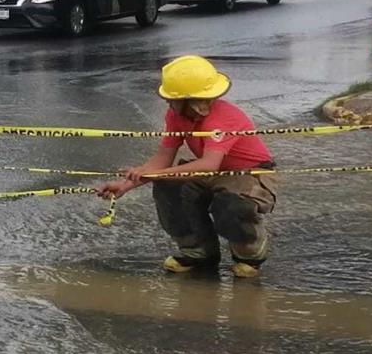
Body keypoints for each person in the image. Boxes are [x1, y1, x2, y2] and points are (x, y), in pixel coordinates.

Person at [97, 55, 277, 278]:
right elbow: (163, 157)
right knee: (167, 186)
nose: (167, 103)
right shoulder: (176, 115)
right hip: (210, 170)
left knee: (230, 206)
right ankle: (198, 252)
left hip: (249, 173)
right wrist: (126, 185)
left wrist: (153, 173)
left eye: (172, 99)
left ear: (191, 100)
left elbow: (209, 165)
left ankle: (249, 253)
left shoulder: (222, 118)